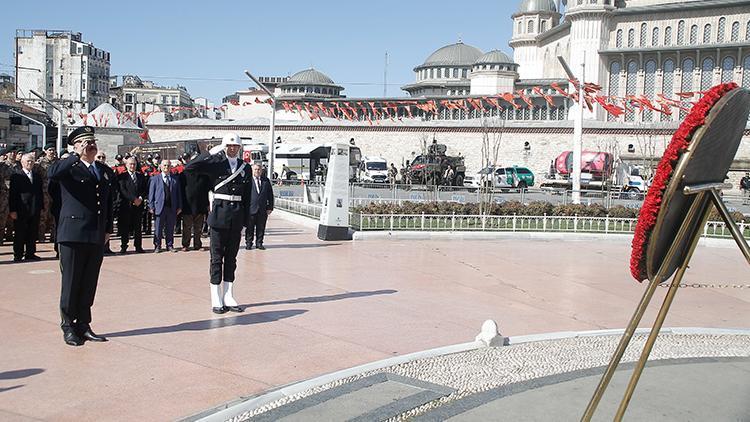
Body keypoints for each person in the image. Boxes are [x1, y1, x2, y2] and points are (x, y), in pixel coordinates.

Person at [48, 126, 114, 346]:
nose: (90, 145)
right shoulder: (69, 168)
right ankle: (68, 326)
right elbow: (53, 173)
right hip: (73, 234)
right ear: (75, 146)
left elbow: (107, 201)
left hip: (95, 234)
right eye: (85, 142)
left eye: (92, 141)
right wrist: (75, 155)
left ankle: (84, 324)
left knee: (88, 283)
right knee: (71, 282)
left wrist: (107, 229)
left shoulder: (103, 170)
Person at [185, 133, 249, 314]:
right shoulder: (215, 164)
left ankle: (229, 294)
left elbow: (248, 196)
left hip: (236, 217)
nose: (232, 149)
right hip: (219, 216)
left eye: (235, 146)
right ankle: (216, 296)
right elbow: (190, 168)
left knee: (231, 258)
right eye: (229, 146)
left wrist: (245, 222)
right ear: (224, 147)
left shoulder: (246, 168)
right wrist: (209, 153)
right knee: (216, 258)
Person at [9, 153, 44, 262]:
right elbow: (13, 194)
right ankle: (18, 254)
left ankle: (30, 253)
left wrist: (41, 207)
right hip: (21, 209)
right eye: (28, 161)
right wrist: (13, 210)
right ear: (22, 163)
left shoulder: (37, 176)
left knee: (33, 232)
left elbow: (40, 192)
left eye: (32, 161)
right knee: (20, 232)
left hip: (34, 208)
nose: (30, 163)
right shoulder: (16, 176)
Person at [148, 160, 181, 253]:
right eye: (165, 165)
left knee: (170, 228)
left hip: (171, 207)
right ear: (161, 167)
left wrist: (179, 206)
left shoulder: (175, 179)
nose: (166, 167)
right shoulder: (155, 179)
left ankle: (169, 245)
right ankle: (157, 245)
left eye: (168, 165)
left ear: (171, 167)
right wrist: (151, 206)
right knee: (158, 228)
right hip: (159, 207)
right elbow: (151, 194)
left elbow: (179, 194)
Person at [116, 157, 148, 253]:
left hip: (138, 206)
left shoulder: (141, 176)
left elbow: (144, 189)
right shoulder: (122, 177)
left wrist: (140, 199)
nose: (132, 166)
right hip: (126, 206)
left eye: (134, 164)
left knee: (138, 227)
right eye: (130, 164)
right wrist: (133, 199)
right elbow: (123, 190)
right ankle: (124, 246)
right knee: (125, 227)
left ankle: (138, 246)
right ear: (126, 165)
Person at [180, 153, 209, 251]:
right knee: (187, 227)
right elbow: (180, 190)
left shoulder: (204, 175)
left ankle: (198, 245)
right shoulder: (184, 174)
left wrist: (207, 205)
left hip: (200, 205)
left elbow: (207, 190)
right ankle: (185, 244)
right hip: (187, 205)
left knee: (198, 228)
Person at [245, 163, 274, 250]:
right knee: (249, 227)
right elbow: (245, 195)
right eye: (255, 169)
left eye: (259, 169)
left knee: (261, 227)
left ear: (261, 171)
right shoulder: (248, 181)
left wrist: (270, 207)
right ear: (252, 170)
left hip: (262, 209)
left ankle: (259, 243)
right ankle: (249, 243)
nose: (257, 171)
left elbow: (270, 195)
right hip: (251, 208)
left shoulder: (266, 181)